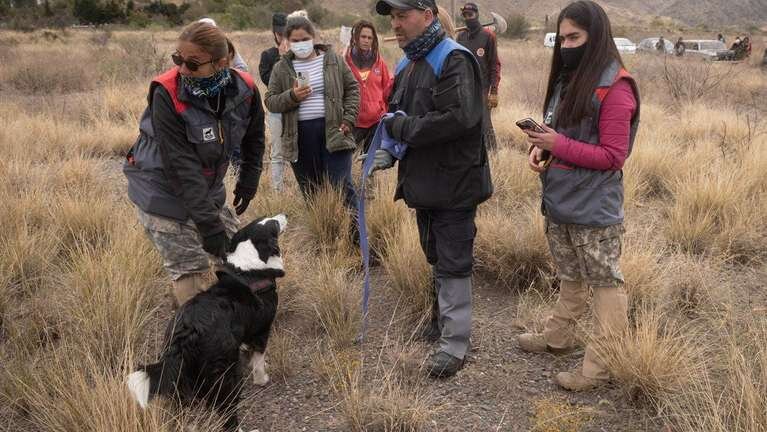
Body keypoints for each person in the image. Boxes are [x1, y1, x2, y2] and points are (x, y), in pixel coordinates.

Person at [518, 0, 639, 392]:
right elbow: (561, 134)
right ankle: (558, 338)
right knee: (570, 274)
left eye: (575, 37)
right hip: (561, 199)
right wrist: (543, 149)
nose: (567, 46)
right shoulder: (567, 80)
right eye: (563, 38)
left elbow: (613, 156)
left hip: (594, 206)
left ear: (595, 36)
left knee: (606, 284)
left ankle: (597, 369)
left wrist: (559, 143)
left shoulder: (616, 87)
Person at [372, 0, 493, 378]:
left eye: (402, 16)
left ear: (427, 16)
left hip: (455, 183)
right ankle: (442, 321)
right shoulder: (408, 63)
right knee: (436, 255)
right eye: (392, 17)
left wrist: (401, 131)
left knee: (454, 260)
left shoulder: (454, 59)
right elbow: (396, 114)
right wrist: (388, 152)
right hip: (424, 183)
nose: (396, 24)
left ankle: (455, 345)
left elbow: (459, 118)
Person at [124, 22, 265, 308]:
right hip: (162, 192)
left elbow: (254, 137)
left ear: (222, 63)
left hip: (207, 189)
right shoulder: (167, 93)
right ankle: (196, 340)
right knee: (194, 275)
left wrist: (249, 178)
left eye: (192, 64)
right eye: (178, 60)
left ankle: (213, 320)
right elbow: (181, 166)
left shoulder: (245, 89)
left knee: (239, 259)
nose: (183, 70)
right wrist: (208, 226)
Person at [264, 16, 360, 210]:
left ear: (314, 37)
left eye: (305, 39)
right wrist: (292, 96)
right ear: (287, 41)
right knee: (312, 190)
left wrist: (349, 119)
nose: (301, 44)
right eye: (296, 41)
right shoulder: (281, 68)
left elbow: (353, 89)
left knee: (341, 185)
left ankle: (357, 235)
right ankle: (323, 233)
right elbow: (270, 101)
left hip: (334, 129)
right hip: (300, 135)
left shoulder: (333, 60)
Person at [456, 2, 501, 151]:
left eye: (471, 15)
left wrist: (493, 91)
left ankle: (493, 154)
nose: (468, 18)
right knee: (466, 121)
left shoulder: (488, 36)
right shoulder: (461, 37)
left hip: (482, 87)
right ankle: (472, 152)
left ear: (477, 15)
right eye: (465, 16)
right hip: (464, 86)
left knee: (485, 123)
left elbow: (494, 65)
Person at [345, 20, 393, 154]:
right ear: (356, 38)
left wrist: (385, 112)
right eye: (363, 37)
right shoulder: (345, 61)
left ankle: (367, 176)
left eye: (370, 38)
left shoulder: (379, 62)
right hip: (353, 121)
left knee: (369, 162)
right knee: (347, 159)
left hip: (375, 121)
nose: (366, 40)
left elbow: (387, 89)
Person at [259, 13, 289, 191]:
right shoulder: (268, 56)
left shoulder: (299, 54)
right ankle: (278, 190)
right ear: (274, 33)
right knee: (278, 152)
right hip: (277, 110)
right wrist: (281, 58)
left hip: (297, 108)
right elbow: (270, 82)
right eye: (280, 34)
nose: (283, 37)